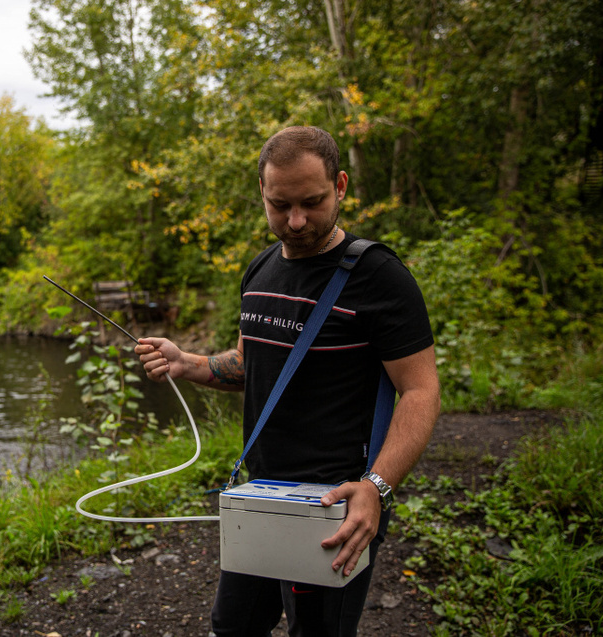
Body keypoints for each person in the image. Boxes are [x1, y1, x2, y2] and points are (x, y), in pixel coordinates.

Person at [135, 126, 441, 636]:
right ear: (261, 191)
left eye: (312, 202)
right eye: (280, 205)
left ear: (340, 186)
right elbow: (251, 364)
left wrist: (376, 487)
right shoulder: (259, 271)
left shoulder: (378, 277)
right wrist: (187, 363)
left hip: (337, 506)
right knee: (233, 626)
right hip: (260, 495)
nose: (296, 221)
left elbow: (421, 389)